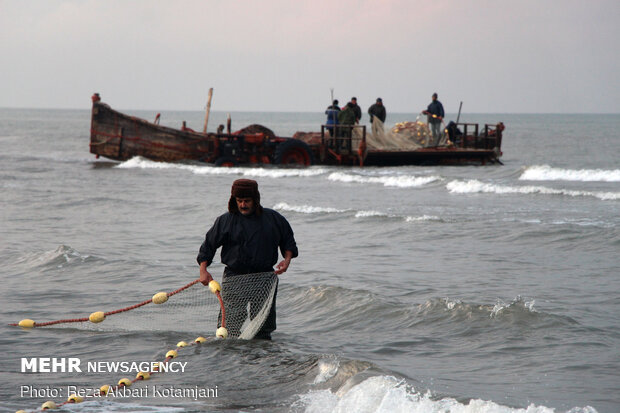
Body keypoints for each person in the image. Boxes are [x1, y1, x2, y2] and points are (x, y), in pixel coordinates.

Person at [197, 179, 298, 340]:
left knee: (263, 328)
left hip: (265, 277)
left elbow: (288, 242)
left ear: (256, 200)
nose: (243, 205)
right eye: (239, 201)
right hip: (235, 277)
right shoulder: (225, 220)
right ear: (233, 200)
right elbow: (209, 245)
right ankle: (230, 363)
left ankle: (261, 361)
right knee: (229, 327)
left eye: (247, 201)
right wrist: (203, 270)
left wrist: (286, 261)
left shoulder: (273, 219)